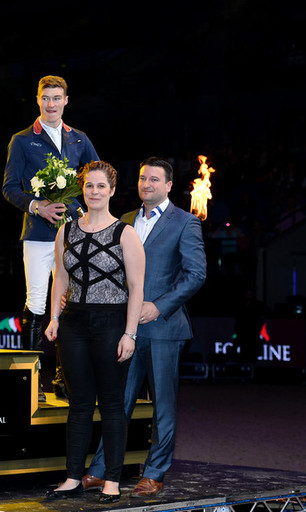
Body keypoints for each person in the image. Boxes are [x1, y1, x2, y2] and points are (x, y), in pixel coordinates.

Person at [82, 157, 206, 497]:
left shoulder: (186, 223)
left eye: (154, 179)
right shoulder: (122, 221)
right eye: (142, 178)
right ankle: (103, 470)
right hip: (124, 329)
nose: (147, 184)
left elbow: (196, 274)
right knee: (116, 401)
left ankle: (155, 473)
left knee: (163, 405)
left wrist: (159, 306)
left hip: (164, 328)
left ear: (168, 186)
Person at [44, 161, 145, 503]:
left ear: (113, 191)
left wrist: (130, 333)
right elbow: (60, 277)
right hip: (73, 323)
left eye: (101, 186)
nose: (94, 192)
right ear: (81, 189)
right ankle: (73, 477)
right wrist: (54, 317)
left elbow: (136, 286)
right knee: (79, 405)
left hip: (112, 324)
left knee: (113, 406)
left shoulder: (124, 233)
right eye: (89, 186)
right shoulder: (66, 230)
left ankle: (112, 481)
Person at [3, 75, 99, 401]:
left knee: (68, 305)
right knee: (37, 302)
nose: (51, 104)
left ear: (66, 101)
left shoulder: (80, 139)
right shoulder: (21, 140)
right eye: (46, 98)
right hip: (38, 235)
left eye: (57, 98)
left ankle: (62, 379)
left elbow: (97, 178)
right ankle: (31, 383)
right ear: (38, 99)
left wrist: (90, 214)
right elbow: (9, 188)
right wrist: (36, 205)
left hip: (73, 236)